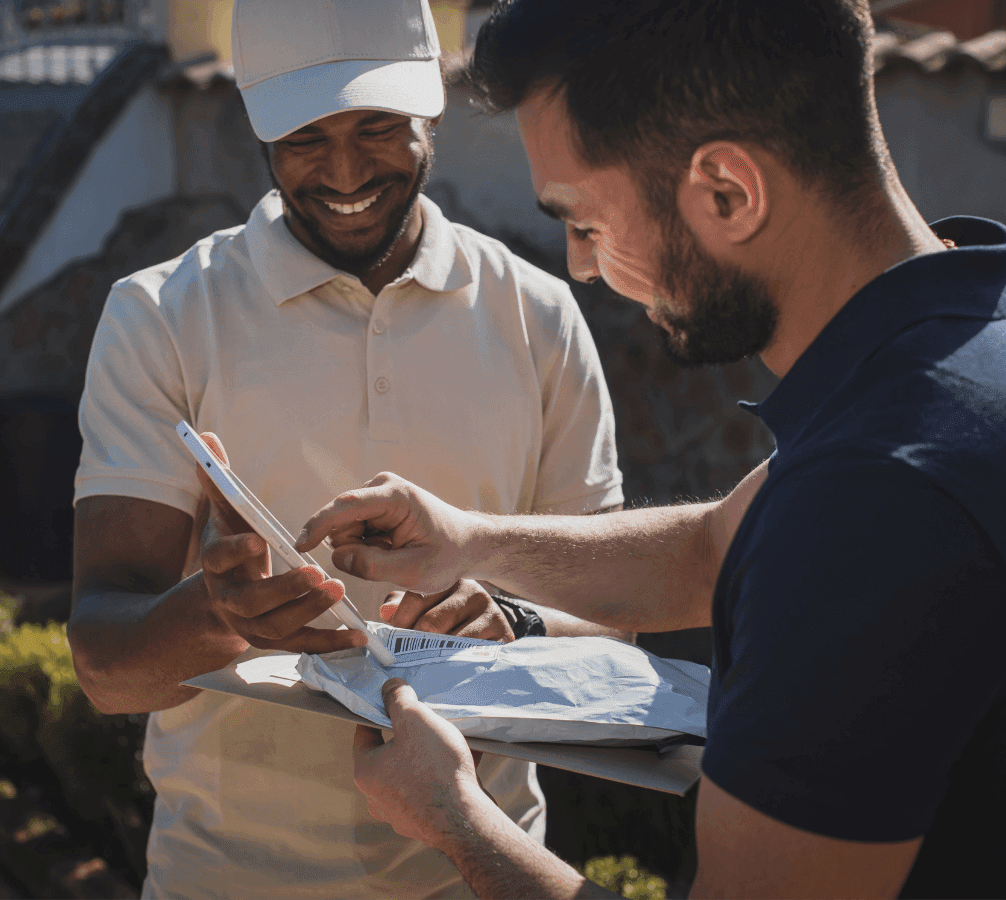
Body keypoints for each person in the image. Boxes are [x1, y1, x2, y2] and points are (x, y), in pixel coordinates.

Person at [289, 1, 1006, 897]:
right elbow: (714, 545)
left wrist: (459, 824)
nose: (580, 267)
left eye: (584, 222)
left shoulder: (873, 497)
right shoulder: (962, 337)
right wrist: (468, 540)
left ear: (726, 193)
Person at [66, 0, 629, 896]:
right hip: (225, 878)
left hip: (481, 871)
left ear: (431, 113)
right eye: (302, 136)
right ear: (257, 131)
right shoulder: (162, 318)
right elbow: (103, 665)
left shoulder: (538, 317)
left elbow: (614, 612)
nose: (343, 170)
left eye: (377, 127)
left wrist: (518, 623)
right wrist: (216, 615)